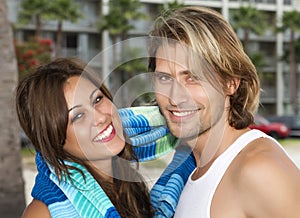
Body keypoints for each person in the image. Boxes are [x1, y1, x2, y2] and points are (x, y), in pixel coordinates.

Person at [148, 6, 300, 217]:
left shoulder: (259, 169)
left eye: (193, 77)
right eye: (165, 78)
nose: (175, 97)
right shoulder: (185, 171)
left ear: (230, 83)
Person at [16, 58, 155, 218]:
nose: (101, 117)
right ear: (55, 140)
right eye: (78, 115)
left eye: (97, 99)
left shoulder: (127, 184)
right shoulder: (43, 214)